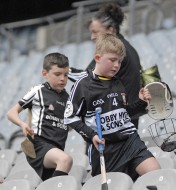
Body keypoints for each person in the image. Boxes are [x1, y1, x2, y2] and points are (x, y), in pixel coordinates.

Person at [64, 34, 160, 181]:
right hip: (104, 148)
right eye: (112, 60)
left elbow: (124, 114)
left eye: (120, 61)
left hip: (130, 141)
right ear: (97, 58)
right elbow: (70, 117)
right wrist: (91, 135)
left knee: (155, 174)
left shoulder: (118, 83)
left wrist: (140, 102)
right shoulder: (83, 85)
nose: (116, 65)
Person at [68, 3, 142, 128]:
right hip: (126, 119)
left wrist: (62, 70)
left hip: (114, 123)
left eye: (95, 32)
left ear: (111, 30)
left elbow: (87, 78)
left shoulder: (113, 53)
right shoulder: (128, 48)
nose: (92, 37)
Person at [7, 52, 73, 181]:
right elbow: (11, 113)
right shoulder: (38, 91)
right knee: (65, 160)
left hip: (57, 148)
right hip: (39, 145)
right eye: (57, 74)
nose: (62, 79)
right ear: (45, 73)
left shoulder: (68, 98)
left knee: (57, 182)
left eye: (65, 75)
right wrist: (22, 124)